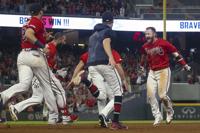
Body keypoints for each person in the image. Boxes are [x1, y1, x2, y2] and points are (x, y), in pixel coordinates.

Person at [0, 3, 59, 124]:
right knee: (47, 86)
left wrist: (45, 37)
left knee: (24, 85)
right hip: (35, 56)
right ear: (40, 12)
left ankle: (3, 95)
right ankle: (54, 117)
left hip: (23, 56)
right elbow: (29, 34)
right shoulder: (37, 21)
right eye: (42, 11)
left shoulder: (27, 22)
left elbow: (30, 35)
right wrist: (43, 46)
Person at [8, 32, 78, 124]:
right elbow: (44, 66)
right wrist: (57, 74)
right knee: (60, 91)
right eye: (64, 39)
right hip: (43, 74)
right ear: (60, 38)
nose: (64, 41)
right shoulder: (51, 48)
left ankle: (16, 108)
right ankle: (65, 116)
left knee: (37, 98)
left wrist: (56, 71)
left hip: (37, 76)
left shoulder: (48, 46)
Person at [140, 27, 191, 126]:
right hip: (152, 72)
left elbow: (175, 54)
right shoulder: (145, 46)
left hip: (163, 70)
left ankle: (169, 111)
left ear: (154, 34)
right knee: (150, 96)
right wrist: (141, 67)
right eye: (146, 34)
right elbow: (143, 57)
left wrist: (184, 64)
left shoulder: (163, 43)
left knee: (162, 95)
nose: (147, 36)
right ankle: (157, 116)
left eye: (148, 34)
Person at [86, 11, 128, 130]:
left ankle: (103, 115)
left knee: (102, 94)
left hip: (91, 66)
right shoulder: (108, 31)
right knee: (118, 92)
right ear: (112, 21)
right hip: (103, 62)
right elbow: (106, 42)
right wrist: (110, 57)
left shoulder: (92, 35)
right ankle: (114, 121)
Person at [71, 49, 128, 128]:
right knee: (117, 97)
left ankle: (102, 120)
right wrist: (124, 79)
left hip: (94, 73)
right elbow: (118, 65)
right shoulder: (110, 51)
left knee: (101, 97)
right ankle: (103, 115)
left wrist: (73, 77)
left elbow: (79, 65)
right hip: (108, 77)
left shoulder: (91, 52)